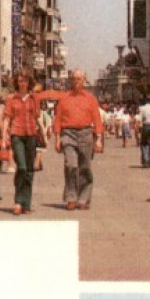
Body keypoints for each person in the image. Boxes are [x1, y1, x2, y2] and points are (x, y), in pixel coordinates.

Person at [54, 68, 105, 211]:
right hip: (68, 134)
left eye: (79, 79)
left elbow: (97, 119)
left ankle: (83, 198)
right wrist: (57, 138)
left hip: (86, 133)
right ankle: (71, 197)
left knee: (85, 167)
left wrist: (99, 139)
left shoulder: (91, 98)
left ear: (84, 81)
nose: (76, 82)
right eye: (74, 79)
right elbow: (58, 119)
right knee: (70, 164)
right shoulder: (64, 98)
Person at [3, 73, 43, 216]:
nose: (22, 83)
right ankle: (18, 201)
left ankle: (26, 203)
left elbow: (37, 117)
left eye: (25, 80)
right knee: (22, 167)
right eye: (20, 80)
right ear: (16, 82)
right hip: (17, 135)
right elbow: (7, 118)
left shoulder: (34, 98)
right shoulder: (11, 98)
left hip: (31, 135)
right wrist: (4, 138)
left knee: (29, 170)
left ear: (29, 82)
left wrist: (43, 135)